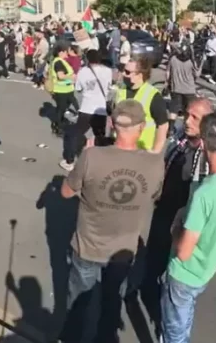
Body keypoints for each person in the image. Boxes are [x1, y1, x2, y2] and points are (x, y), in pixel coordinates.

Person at [60, 99, 164, 343]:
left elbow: (66, 192)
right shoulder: (155, 164)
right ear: (143, 127)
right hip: (123, 250)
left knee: (78, 302)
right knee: (111, 302)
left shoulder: (91, 156)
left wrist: (81, 163)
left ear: (112, 125)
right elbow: (155, 195)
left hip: (87, 246)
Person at [140, 98, 213, 333]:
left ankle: (165, 322)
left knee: (173, 278)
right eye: (187, 114)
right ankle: (149, 294)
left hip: (183, 222)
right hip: (163, 212)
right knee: (153, 263)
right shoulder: (180, 138)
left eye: (195, 118)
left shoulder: (209, 155)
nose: (187, 121)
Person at [161, 113, 216, 343]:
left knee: (174, 333)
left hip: (183, 274)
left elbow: (184, 252)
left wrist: (176, 226)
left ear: (204, 144)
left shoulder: (204, 195)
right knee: (184, 320)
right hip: (206, 270)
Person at [60, 50, 113, 171]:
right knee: (100, 136)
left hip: (86, 107)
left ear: (88, 59)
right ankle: (100, 164)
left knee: (76, 134)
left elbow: (78, 88)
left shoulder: (83, 71)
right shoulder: (107, 71)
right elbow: (109, 87)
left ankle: (70, 160)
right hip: (101, 109)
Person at [114, 56, 169, 153]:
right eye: (123, 70)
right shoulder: (121, 90)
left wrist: (155, 152)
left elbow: (163, 126)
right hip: (119, 148)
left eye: (127, 72)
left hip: (141, 151)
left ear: (139, 75)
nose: (123, 74)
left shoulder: (153, 95)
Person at [48, 42, 78, 136]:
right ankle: (58, 127)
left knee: (63, 108)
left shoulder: (62, 61)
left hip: (67, 89)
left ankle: (59, 123)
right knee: (61, 110)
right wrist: (71, 77)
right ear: (61, 52)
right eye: (66, 52)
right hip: (61, 90)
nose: (67, 53)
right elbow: (60, 76)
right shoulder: (58, 62)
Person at [167, 43, 199, 126]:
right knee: (188, 110)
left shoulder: (173, 59)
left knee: (173, 109)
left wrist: (167, 83)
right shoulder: (191, 61)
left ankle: (170, 129)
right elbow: (197, 75)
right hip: (189, 90)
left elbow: (168, 73)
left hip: (176, 88)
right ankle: (185, 128)